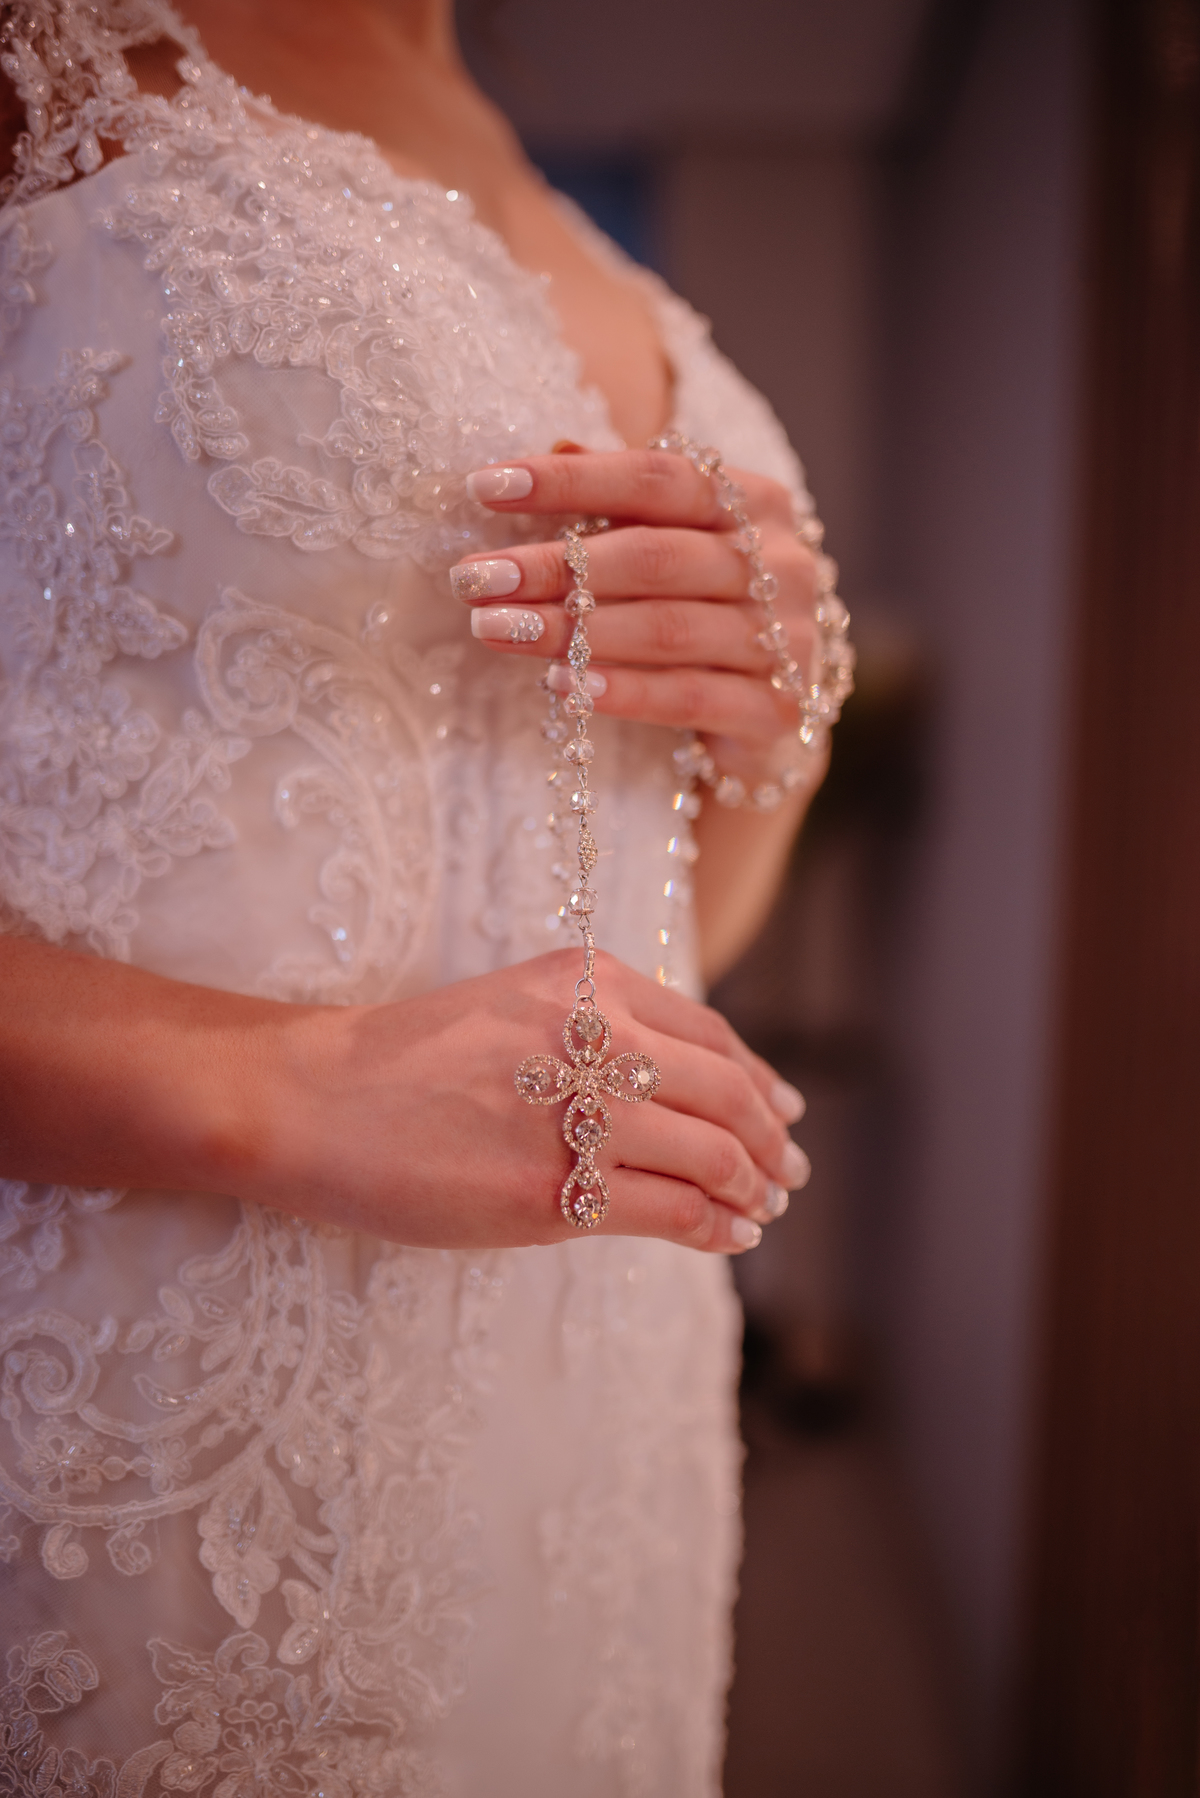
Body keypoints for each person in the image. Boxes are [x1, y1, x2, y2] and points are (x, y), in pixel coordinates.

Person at [0, 1, 838, 1791]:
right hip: (162, 1426)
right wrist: (296, 1080)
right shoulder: (42, 70)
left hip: (596, 1416)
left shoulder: (536, 176)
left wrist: (772, 741)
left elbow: (684, 936)